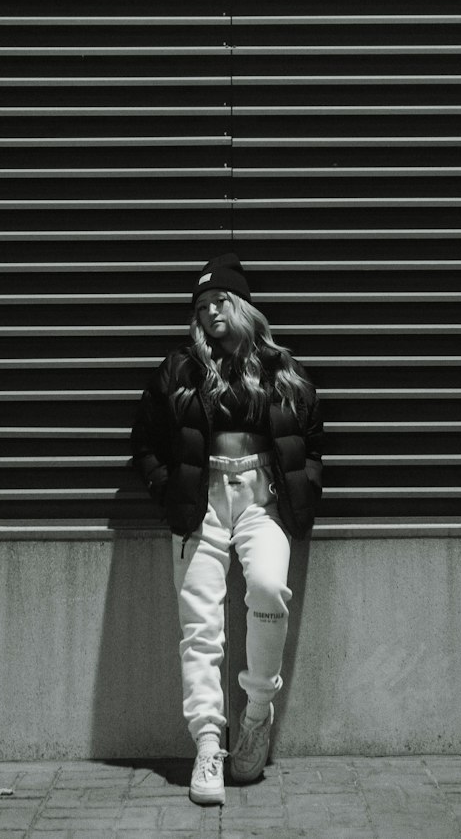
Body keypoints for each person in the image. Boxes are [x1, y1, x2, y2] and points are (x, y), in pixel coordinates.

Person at [131, 253, 323, 806]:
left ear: (241, 305)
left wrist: (304, 487)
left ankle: (257, 715)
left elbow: (311, 440)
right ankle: (209, 744)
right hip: (202, 502)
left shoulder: (280, 367)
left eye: (220, 300)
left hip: (262, 498)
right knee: (200, 626)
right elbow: (143, 440)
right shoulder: (180, 368)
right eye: (202, 304)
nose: (211, 310)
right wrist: (168, 490)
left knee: (267, 591)